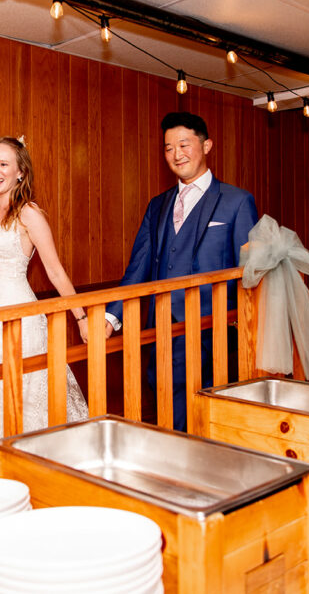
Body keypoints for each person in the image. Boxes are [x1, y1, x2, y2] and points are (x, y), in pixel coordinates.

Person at [0, 136, 89, 478]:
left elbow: (54, 270)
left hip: (18, 319)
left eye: (4, 164)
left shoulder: (29, 214)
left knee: (21, 399)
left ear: (21, 172)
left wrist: (80, 316)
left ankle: (31, 476)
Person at [105, 112, 258, 431]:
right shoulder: (157, 205)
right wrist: (110, 318)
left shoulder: (237, 201)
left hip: (210, 332)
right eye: (168, 148)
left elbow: (250, 274)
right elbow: (138, 266)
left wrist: (244, 329)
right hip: (160, 329)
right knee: (166, 410)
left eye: (184, 144)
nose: (177, 154)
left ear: (207, 145)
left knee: (203, 418)